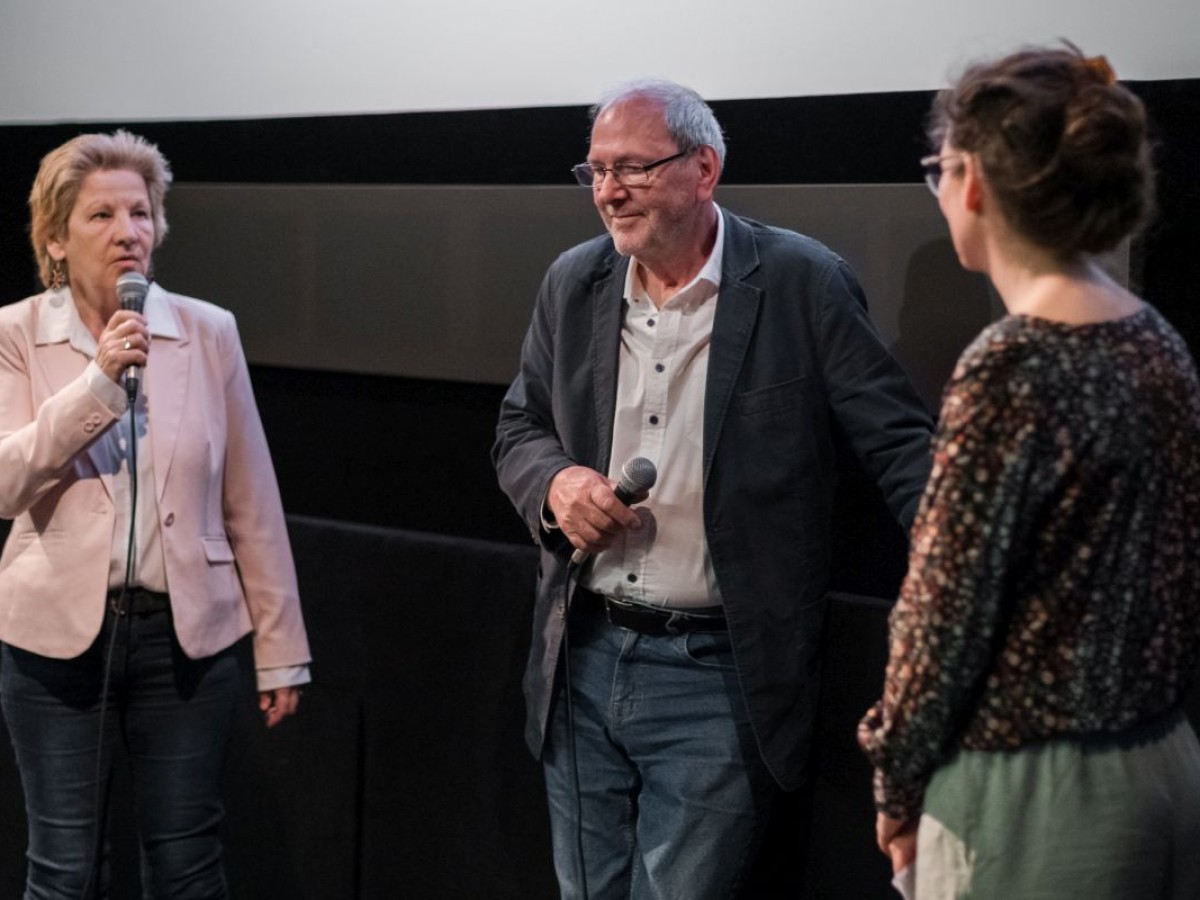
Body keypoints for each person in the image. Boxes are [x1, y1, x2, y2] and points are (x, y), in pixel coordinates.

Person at [493, 79, 933, 898]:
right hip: (579, 657)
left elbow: (899, 446)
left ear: (705, 168)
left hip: (716, 673)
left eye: (632, 168)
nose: (609, 192)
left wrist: (971, 573)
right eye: (593, 172)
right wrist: (557, 484)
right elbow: (518, 429)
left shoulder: (803, 282)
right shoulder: (572, 282)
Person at [858, 45, 1200, 899]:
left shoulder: (1011, 365)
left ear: (971, 180)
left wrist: (896, 782)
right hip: (1159, 763)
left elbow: (942, 612)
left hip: (1033, 797)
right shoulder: (1154, 339)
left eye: (939, 167)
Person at [0, 130, 312, 897]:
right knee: (65, 869)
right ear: (55, 239)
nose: (127, 232)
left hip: (185, 644)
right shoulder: (15, 334)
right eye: (101, 215)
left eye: (140, 213)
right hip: (53, 646)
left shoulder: (208, 331)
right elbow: (5, 481)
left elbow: (251, 499)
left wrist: (281, 648)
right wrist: (98, 387)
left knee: (186, 861)